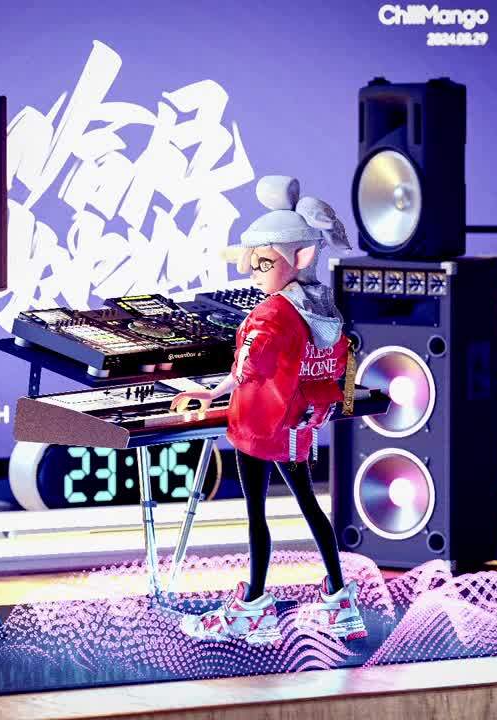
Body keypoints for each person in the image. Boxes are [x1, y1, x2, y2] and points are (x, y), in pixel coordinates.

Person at [172, 175, 364, 645]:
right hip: (299, 426)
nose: (254, 273)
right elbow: (345, 361)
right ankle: (340, 601)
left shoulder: (270, 314)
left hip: (258, 427)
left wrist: (210, 395)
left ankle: (254, 606)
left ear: (301, 257)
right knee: (309, 507)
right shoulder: (325, 307)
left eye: (263, 263)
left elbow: (246, 369)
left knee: (256, 513)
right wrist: (343, 402)